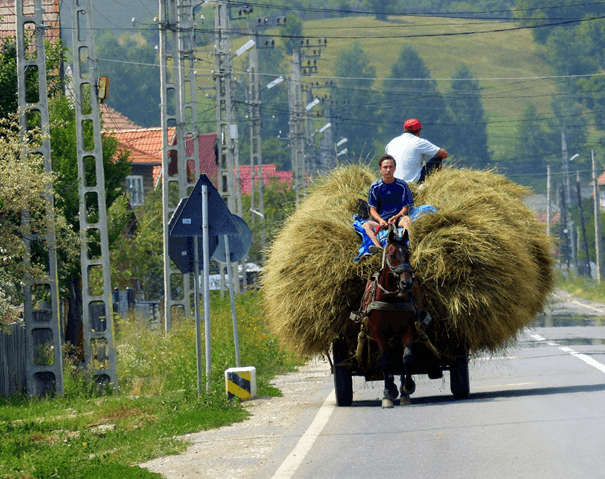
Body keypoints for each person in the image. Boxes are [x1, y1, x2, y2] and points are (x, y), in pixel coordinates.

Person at [363, 154, 414, 251]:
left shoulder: (402, 185)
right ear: (380, 169)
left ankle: (403, 243)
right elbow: (372, 209)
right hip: (381, 221)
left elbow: (406, 207)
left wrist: (396, 217)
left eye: (391, 167)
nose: (388, 170)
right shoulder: (375, 187)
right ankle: (378, 247)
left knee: (408, 220)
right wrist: (380, 220)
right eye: (385, 167)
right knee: (366, 225)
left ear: (395, 169)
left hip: (398, 219)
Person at [385, 118, 448, 184]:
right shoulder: (419, 142)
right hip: (413, 182)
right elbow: (444, 154)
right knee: (437, 160)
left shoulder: (391, 143)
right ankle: (429, 186)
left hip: (393, 181)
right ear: (418, 131)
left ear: (404, 129)